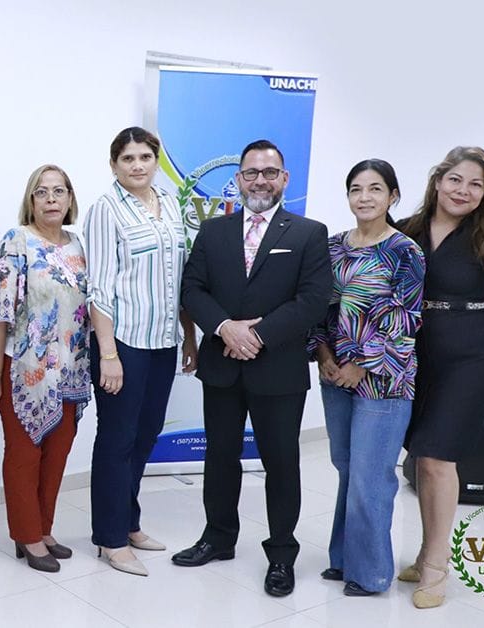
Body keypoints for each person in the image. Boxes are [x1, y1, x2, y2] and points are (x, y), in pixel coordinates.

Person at [174, 139, 330, 598]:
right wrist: (225, 329)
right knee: (219, 456)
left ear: (284, 179)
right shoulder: (213, 231)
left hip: (278, 369)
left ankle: (281, 554)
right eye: (251, 172)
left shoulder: (307, 232)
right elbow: (192, 289)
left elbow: (312, 300)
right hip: (222, 365)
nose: (259, 180)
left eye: (269, 172)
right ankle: (218, 538)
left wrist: (256, 335)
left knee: (281, 463)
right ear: (238, 179)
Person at [396, 146, 484, 609]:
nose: (464, 190)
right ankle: (425, 551)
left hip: (469, 362)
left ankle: (437, 567)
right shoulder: (409, 230)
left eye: (475, 184)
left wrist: (480, 340)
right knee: (420, 457)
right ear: (438, 181)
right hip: (415, 356)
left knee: (438, 459)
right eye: (456, 180)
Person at [83, 127, 198, 577]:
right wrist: (107, 354)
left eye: (145, 156)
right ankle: (110, 539)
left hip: (163, 339)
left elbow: (181, 278)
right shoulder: (104, 211)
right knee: (117, 439)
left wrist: (189, 337)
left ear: (155, 160)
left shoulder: (170, 203)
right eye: (127, 158)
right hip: (123, 342)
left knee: (146, 434)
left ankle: (129, 523)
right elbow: (100, 289)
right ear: (114, 164)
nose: (137, 165)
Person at [307, 159, 425, 597]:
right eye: (356, 189)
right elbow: (321, 307)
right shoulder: (334, 246)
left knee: (371, 477)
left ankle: (372, 573)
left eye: (375, 189)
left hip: (385, 380)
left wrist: (363, 364)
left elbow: (406, 320)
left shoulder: (405, 251)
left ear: (393, 196)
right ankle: (344, 560)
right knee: (346, 469)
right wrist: (323, 356)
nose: (365, 197)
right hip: (335, 374)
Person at [0, 164, 92, 573]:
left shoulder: (78, 248)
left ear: (70, 199)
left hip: (71, 371)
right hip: (25, 371)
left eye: (60, 191)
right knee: (24, 455)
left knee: (58, 454)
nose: (52, 199)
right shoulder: (17, 242)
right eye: (43, 192)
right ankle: (26, 534)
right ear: (31, 200)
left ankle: (43, 527)